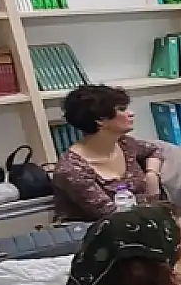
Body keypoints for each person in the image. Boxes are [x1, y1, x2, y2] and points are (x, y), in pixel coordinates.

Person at [52, 84, 166, 222]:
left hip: (145, 222)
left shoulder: (125, 144)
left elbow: (154, 150)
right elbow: (113, 216)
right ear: (101, 120)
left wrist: (152, 175)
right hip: (102, 233)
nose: (131, 113)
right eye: (122, 109)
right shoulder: (72, 169)